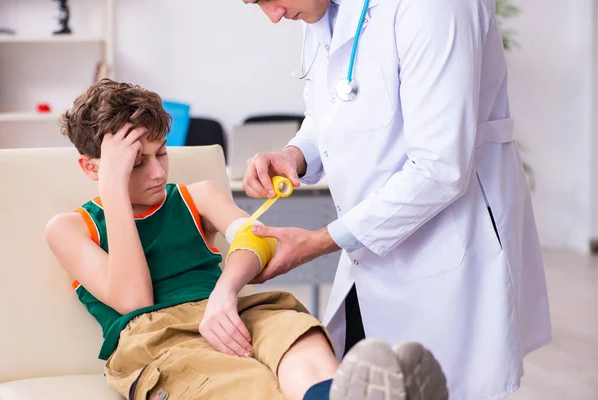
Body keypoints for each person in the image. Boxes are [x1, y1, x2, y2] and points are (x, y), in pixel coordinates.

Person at [45, 79, 449, 400]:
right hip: (158, 341)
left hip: (229, 310)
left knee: (295, 334)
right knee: (246, 383)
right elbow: (135, 300)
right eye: (136, 163)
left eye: (161, 153)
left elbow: (255, 240)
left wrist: (225, 291)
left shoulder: (196, 196)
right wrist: (112, 186)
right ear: (91, 167)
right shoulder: (71, 228)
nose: (157, 172)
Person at [240, 0, 552, 399]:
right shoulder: (323, 11)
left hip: (447, 258)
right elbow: (335, 104)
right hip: (366, 257)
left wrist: (318, 242)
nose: (273, 15)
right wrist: (296, 155)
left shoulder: (434, 7)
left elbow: (439, 168)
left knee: (435, 385)